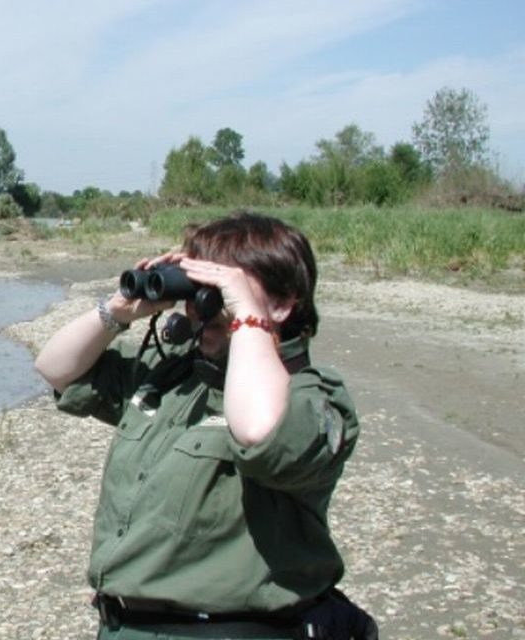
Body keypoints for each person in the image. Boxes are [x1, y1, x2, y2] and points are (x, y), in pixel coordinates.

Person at [34, 211, 374, 639]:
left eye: (219, 291)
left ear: (284, 303)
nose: (202, 306)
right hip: (126, 626)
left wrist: (247, 315)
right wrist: (119, 310)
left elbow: (260, 434)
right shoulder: (175, 377)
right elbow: (56, 369)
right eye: (197, 290)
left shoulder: (311, 396)